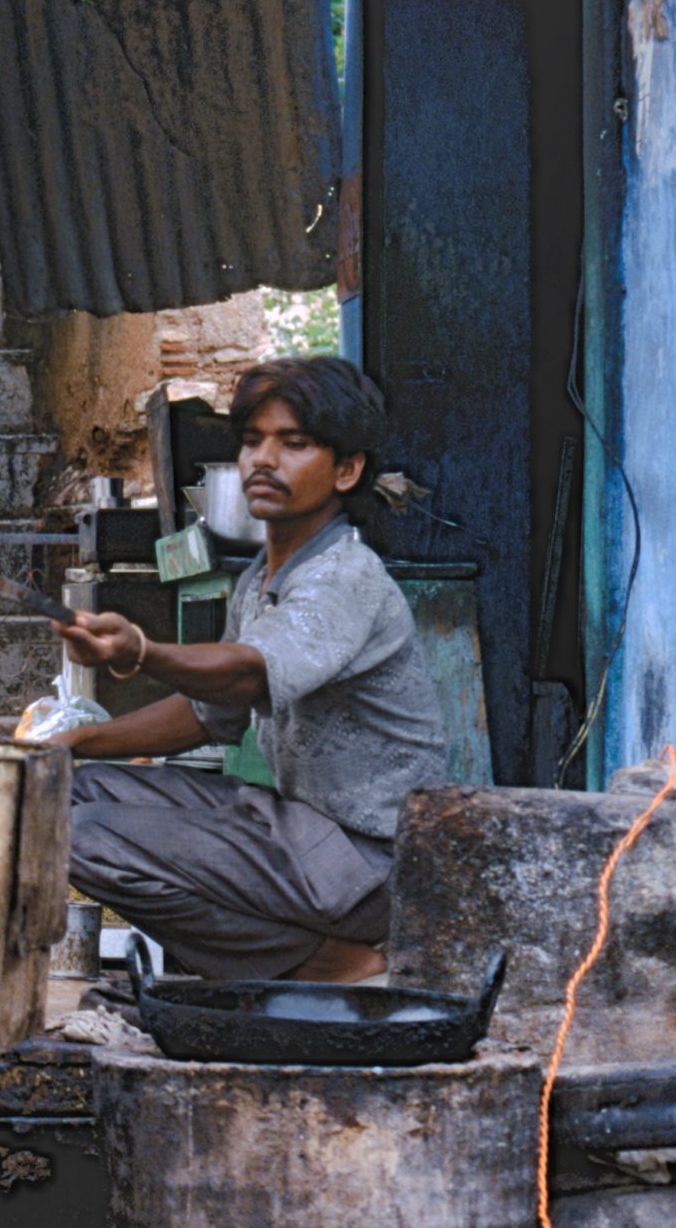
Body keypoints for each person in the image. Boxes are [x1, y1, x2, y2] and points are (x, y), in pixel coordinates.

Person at [48, 358, 447, 982]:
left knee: (77, 835)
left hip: (371, 863)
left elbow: (249, 676)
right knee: (60, 792)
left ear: (347, 470)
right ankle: (296, 955)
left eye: (294, 443)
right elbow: (211, 713)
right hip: (301, 832)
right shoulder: (261, 579)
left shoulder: (345, 575)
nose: (263, 460)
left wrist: (142, 652)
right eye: (253, 441)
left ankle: (329, 963)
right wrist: (72, 745)